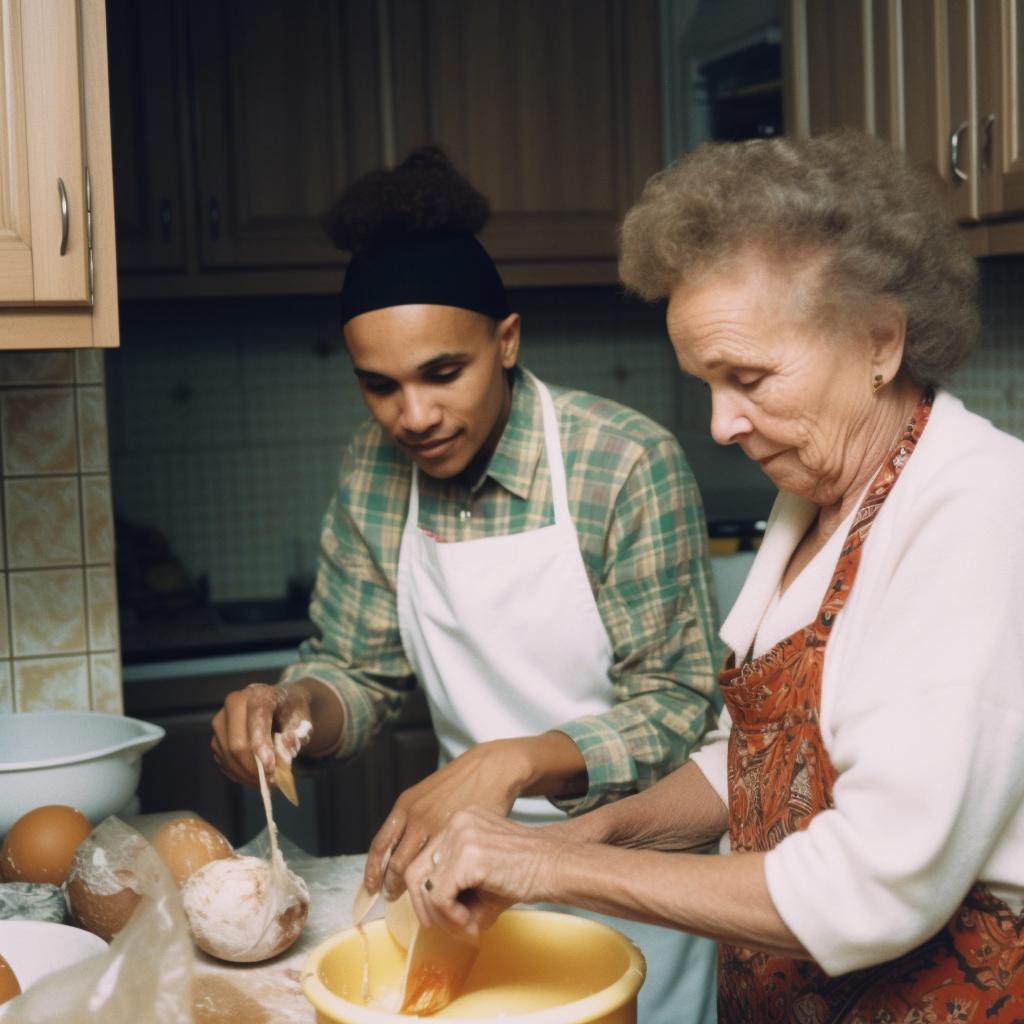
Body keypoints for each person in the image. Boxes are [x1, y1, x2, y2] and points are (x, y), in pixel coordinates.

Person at [401, 130, 1024, 1023]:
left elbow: (874, 886)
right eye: (705, 381)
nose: (722, 423)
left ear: (881, 340)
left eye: (749, 378)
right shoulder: (820, 494)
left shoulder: (976, 510)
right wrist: (590, 831)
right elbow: (762, 762)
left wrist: (551, 865)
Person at [210, 146, 722, 1024]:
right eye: (380, 386)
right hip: (462, 892)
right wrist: (295, 708)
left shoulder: (624, 462)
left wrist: (511, 760)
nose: (412, 416)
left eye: (443, 373)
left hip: (634, 884)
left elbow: (678, 704)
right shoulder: (374, 474)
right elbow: (358, 672)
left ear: (507, 340)